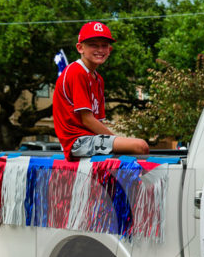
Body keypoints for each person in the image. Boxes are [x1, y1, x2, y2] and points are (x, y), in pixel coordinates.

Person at [52, 22, 149, 161]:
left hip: (91, 138)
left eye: (104, 45)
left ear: (110, 50)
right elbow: (87, 120)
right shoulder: (76, 72)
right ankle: (141, 182)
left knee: (131, 149)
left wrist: (118, 141)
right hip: (77, 141)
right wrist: (116, 139)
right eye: (93, 45)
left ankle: (129, 181)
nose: (100, 49)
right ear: (80, 48)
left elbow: (98, 121)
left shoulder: (98, 79)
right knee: (140, 146)